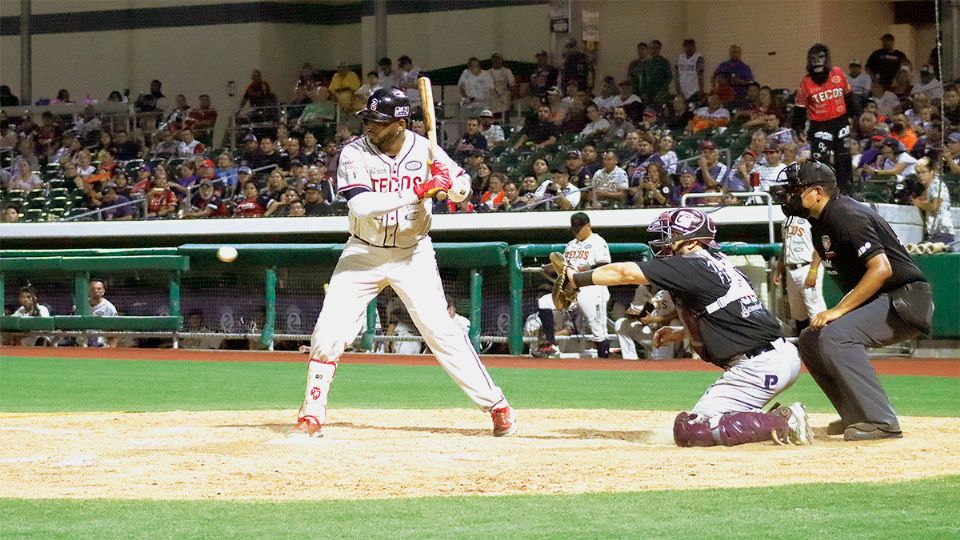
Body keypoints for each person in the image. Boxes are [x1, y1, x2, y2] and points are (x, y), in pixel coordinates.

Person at [291, 88, 516, 438]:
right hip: (363, 252)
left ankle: (497, 405)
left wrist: (450, 185)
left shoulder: (426, 149)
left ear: (400, 123)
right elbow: (361, 206)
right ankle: (312, 414)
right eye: (367, 119)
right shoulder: (354, 152)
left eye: (377, 122)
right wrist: (422, 190)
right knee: (328, 331)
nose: (369, 126)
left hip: (414, 253)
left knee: (441, 331)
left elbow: (464, 190)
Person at [558, 208, 812, 447]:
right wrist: (682, 332)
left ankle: (784, 421)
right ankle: (760, 418)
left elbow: (624, 272)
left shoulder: (692, 263)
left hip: (757, 367)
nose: (665, 242)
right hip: (778, 357)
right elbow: (731, 316)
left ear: (692, 242)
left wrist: (576, 280)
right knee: (707, 422)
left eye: (673, 236)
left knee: (692, 430)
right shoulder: (716, 261)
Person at [781, 161, 932, 441]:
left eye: (796, 189)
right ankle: (857, 414)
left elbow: (882, 268)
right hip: (886, 298)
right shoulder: (820, 222)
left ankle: (882, 421)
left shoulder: (845, 214)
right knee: (811, 339)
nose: (789, 195)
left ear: (816, 192)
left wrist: (838, 310)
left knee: (837, 335)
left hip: (905, 299)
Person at [534, 213, 611, 358]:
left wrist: (587, 268)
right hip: (570, 289)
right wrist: (549, 267)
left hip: (592, 288)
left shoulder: (598, 241)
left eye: (579, 228)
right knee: (544, 301)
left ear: (588, 225)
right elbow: (564, 265)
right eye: (574, 229)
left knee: (598, 331)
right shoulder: (570, 245)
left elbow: (605, 264)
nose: (576, 231)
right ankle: (551, 345)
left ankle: (604, 360)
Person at [792, 44, 860, 196]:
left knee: (843, 157)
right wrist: (798, 128)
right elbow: (800, 108)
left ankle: (847, 192)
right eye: (813, 59)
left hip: (841, 121)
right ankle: (821, 192)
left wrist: (853, 116)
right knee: (819, 160)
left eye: (821, 57)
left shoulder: (838, 73)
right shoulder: (805, 82)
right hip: (819, 125)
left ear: (827, 59)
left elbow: (848, 96)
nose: (817, 62)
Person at [774, 216, 826, 335]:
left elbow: (820, 246)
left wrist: (813, 271)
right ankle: (804, 349)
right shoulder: (787, 220)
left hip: (807, 266)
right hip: (791, 268)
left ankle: (823, 348)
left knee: (815, 311)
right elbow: (785, 245)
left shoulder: (811, 218)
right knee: (798, 314)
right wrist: (778, 269)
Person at [615, 288, 680, 361]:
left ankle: (670, 358)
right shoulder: (642, 289)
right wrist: (632, 315)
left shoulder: (672, 289)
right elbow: (637, 311)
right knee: (620, 323)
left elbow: (680, 313)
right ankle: (630, 361)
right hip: (650, 331)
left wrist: (657, 319)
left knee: (675, 323)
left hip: (667, 336)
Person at [910, 157, 954, 244]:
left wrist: (918, 203)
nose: (920, 175)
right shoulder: (928, 189)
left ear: (932, 171)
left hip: (942, 232)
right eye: (918, 172)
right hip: (934, 233)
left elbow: (934, 207)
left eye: (924, 172)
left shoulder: (936, 185)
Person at [87, 279, 119, 348]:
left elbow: (115, 333)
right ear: (88, 291)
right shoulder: (81, 305)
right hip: (82, 345)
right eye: (92, 289)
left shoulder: (109, 308)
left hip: (101, 346)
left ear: (103, 291)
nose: (96, 291)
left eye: (99, 289)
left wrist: (111, 350)